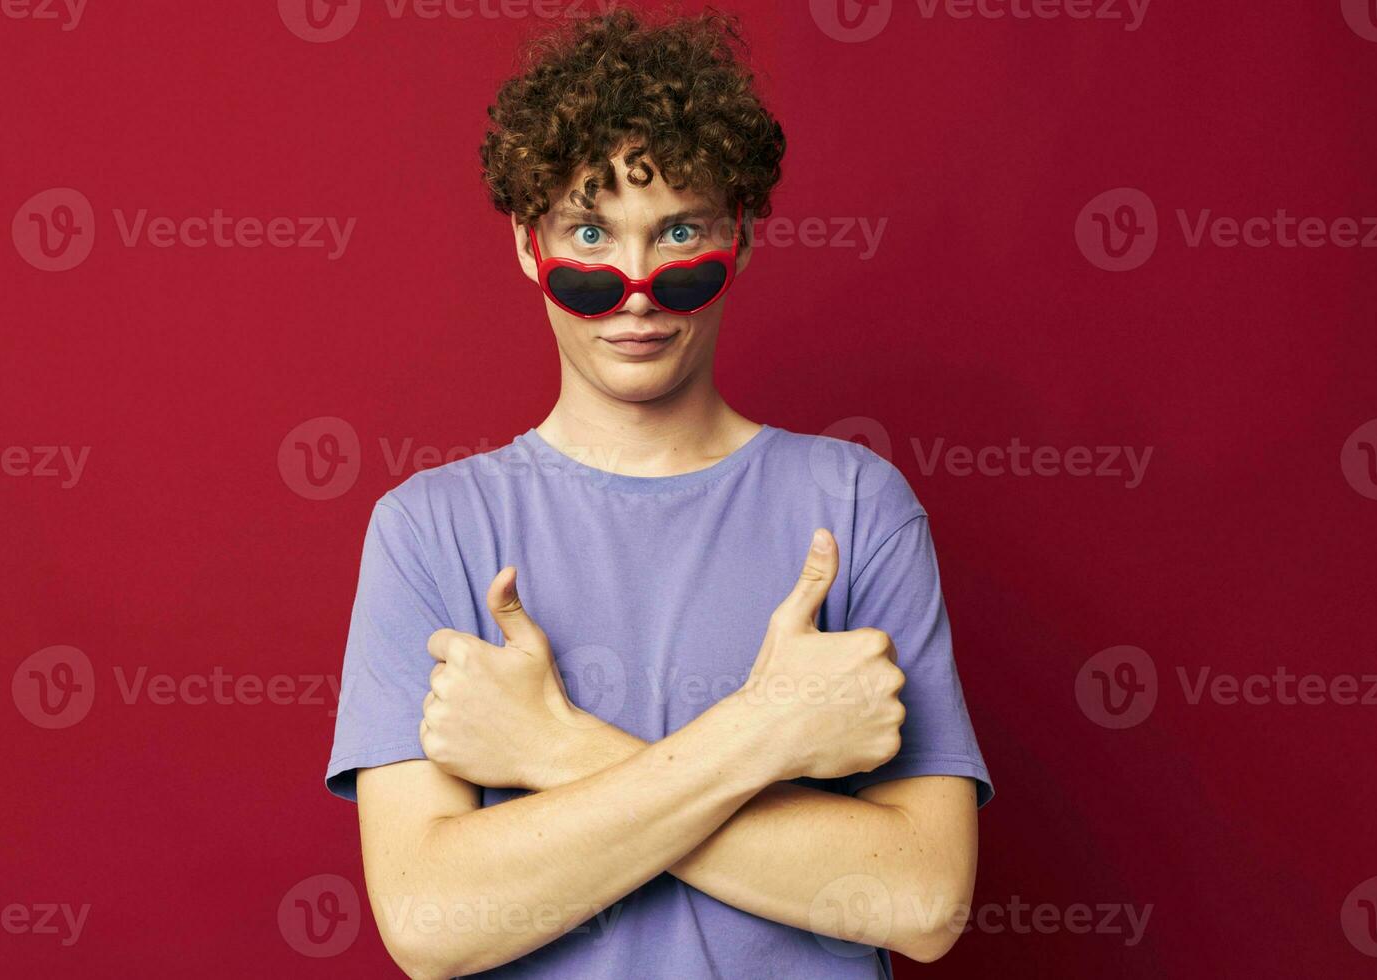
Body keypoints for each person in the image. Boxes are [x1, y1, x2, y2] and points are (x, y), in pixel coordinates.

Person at [325, 8, 992, 978]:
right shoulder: (430, 529)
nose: (635, 286)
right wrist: (768, 732)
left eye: (679, 232)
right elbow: (430, 922)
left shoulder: (855, 503)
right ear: (526, 245)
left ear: (743, 238)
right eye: (591, 233)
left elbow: (921, 899)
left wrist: (553, 744)